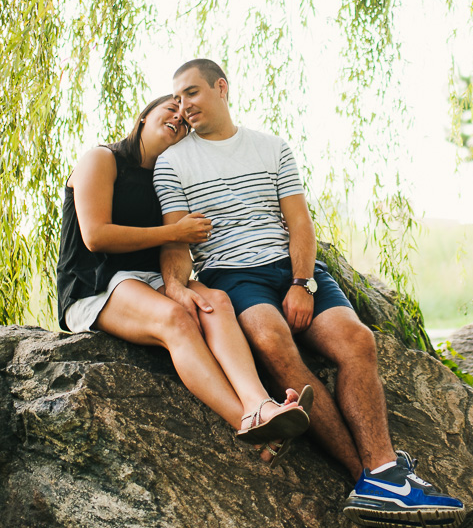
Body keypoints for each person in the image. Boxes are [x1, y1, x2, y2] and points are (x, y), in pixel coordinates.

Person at [154, 59, 465, 528]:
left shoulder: (272, 147)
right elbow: (176, 242)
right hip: (234, 276)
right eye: (177, 98)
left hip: (292, 269)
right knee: (272, 340)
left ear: (221, 88)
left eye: (192, 93)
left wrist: (302, 283)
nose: (184, 106)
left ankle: (381, 477)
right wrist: (176, 287)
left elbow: (299, 223)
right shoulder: (172, 163)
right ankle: (380, 481)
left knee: (357, 341)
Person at [57, 93, 311, 455]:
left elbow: (177, 253)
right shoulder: (103, 159)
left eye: (184, 118)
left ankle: (261, 405)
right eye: (169, 109)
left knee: (216, 302)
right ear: (144, 116)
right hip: (93, 284)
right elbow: (96, 236)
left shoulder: (167, 176)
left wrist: (178, 283)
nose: (179, 117)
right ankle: (248, 423)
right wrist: (174, 233)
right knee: (177, 319)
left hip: (148, 281)